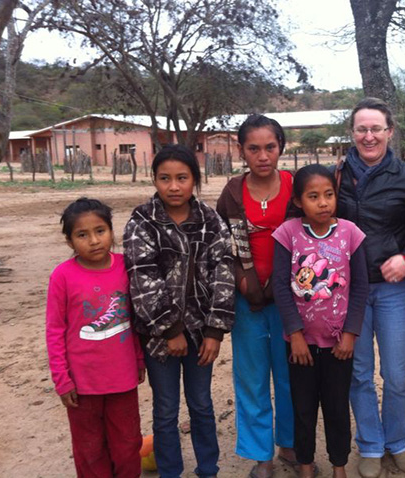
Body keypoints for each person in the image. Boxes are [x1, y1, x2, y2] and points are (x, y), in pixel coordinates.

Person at [334, 97, 405, 478]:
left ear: (390, 132)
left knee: (396, 372)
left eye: (377, 128)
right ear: (352, 133)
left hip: (394, 289)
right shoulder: (336, 175)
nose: (369, 136)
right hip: (351, 291)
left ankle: (398, 440)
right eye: (362, 129)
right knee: (358, 373)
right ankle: (370, 445)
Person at [124, 144, 235, 478]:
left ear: (195, 180)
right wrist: (170, 331)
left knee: (201, 404)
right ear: (154, 180)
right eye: (165, 178)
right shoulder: (142, 221)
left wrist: (215, 331)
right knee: (166, 408)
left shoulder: (210, 220)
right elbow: (141, 280)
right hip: (160, 338)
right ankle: (170, 470)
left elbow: (225, 272)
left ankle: (208, 469)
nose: (174, 186)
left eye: (182, 178)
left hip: (202, 335)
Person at [272, 164, 369, 478]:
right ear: (299, 201)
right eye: (313, 196)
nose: (323, 202)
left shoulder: (351, 234)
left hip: (339, 345)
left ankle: (339, 465)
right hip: (300, 346)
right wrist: (295, 334)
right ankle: (305, 464)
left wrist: (351, 333)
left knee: (337, 408)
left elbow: (361, 287)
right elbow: (280, 288)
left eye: (329, 194)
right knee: (303, 408)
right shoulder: (287, 233)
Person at [216, 114, 296, 478]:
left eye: (270, 147)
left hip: (293, 303)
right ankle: (260, 453)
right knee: (251, 377)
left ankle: (291, 444)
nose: (263, 156)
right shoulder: (232, 193)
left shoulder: (298, 188)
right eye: (254, 148)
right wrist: (239, 279)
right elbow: (220, 249)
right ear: (241, 151)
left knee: (291, 375)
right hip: (247, 303)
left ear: (281, 148)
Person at [46, 197, 145, 478]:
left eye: (100, 231)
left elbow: (135, 319)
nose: (93, 240)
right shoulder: (62, 276)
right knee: (90, 448)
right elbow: (54, 331)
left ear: (111, 231)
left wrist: (139, 359)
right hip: (82, 384)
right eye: (82, 234)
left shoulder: (126, 266)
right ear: (69, 242)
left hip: (123, 379)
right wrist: (61, 379)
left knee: (128, 443)